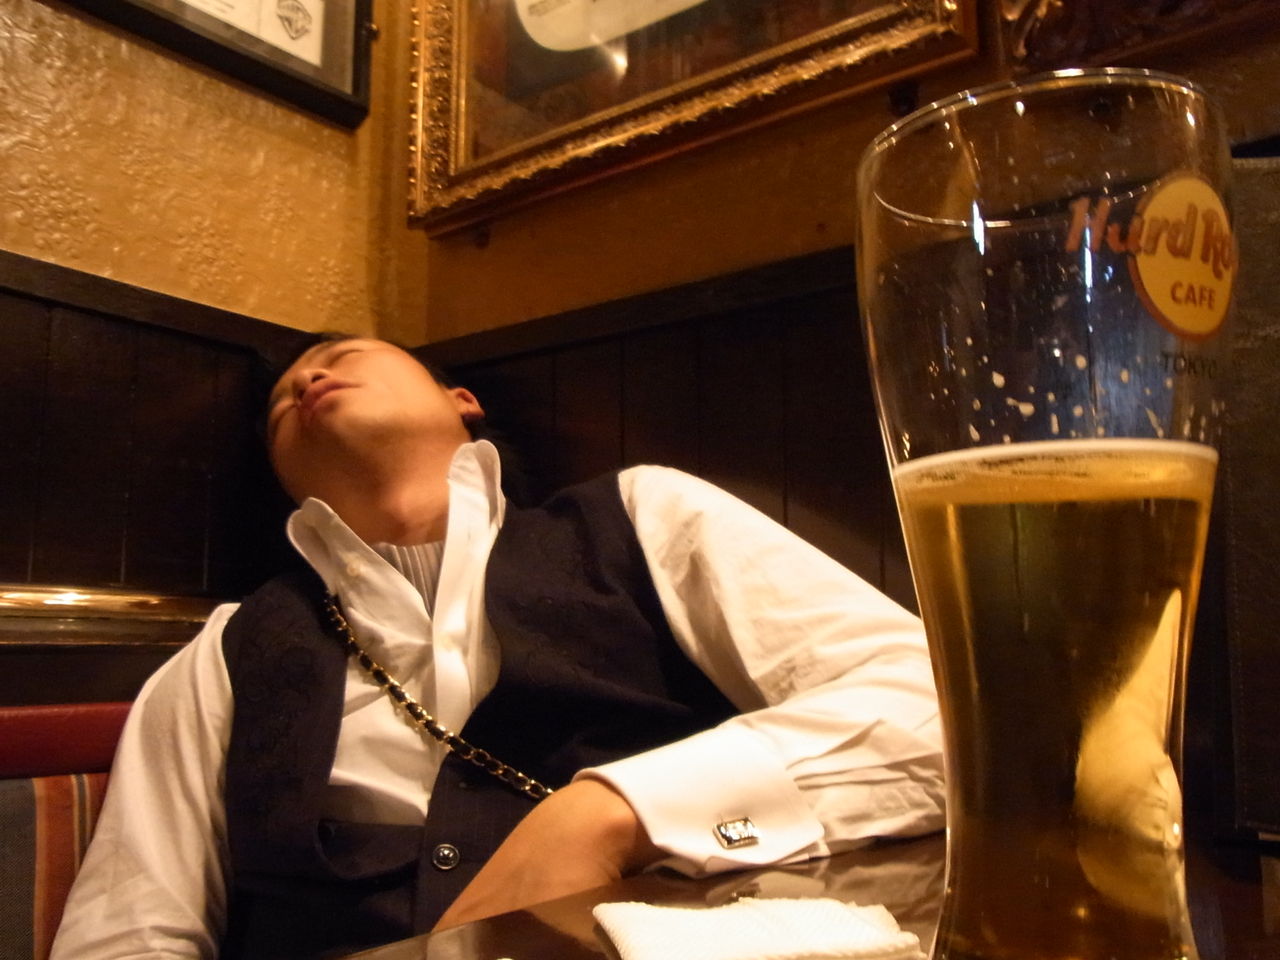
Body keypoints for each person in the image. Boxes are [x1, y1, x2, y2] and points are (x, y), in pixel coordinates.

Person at [52, 336, 945, 959]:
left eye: (344, 352)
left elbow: (940, 713)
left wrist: (612, 813)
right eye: (281, 397)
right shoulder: (222, 651)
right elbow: (129, 932)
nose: (308, 376)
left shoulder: (646, 515)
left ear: (462, 401)